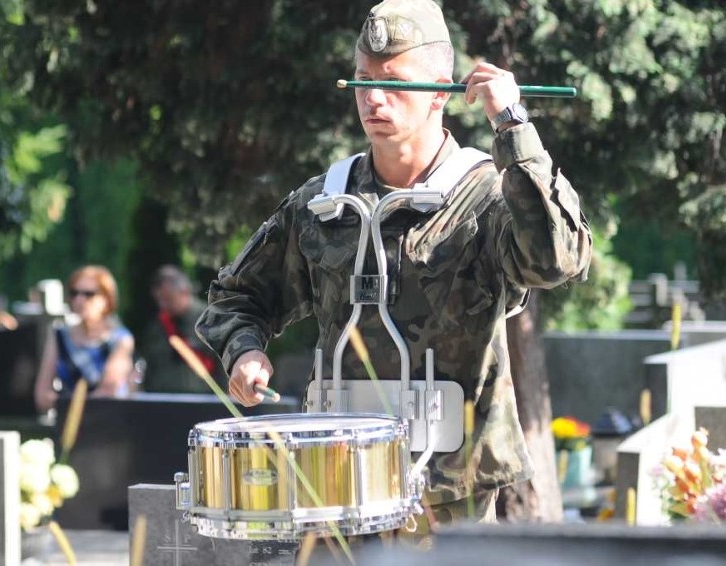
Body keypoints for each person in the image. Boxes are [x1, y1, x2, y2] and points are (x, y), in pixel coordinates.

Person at [196, 0, 592, 527]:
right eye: (362, 79)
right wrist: (244, 351)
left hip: (449, 496)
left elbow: (557, 259)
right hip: (334, 483)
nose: (374, 98)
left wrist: (512, 126)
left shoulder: (486, 195)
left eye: (396, 82)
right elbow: (235, 298)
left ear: (442, 92)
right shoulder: (323, 204)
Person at [34, 265, 135, 413]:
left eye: (89, 294)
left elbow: (107, 393)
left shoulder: (121, 339)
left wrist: (64, 402)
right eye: (75, 293)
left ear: (107, 299)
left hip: (110, 423)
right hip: (69, 426)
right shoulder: (59, 335)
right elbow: (42, 397)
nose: (80, 300)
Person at [138, 265, 225, 393]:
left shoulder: (211, 320)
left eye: (168, 299)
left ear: (184, 292)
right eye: (159, 300)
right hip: (162, 402)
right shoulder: (157, 327)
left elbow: (224, 364)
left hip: (203, 403)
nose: (162, 305)